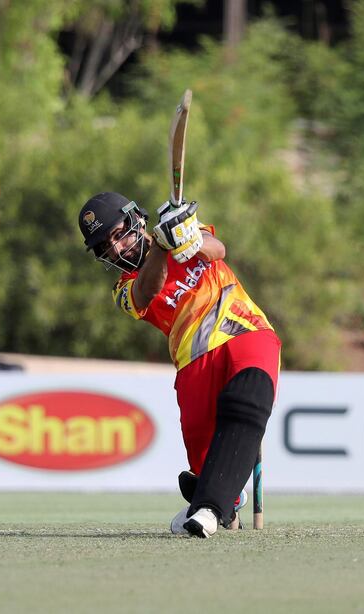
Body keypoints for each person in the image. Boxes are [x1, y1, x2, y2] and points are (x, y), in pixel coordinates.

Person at [77, 192, 280, 538]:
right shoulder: (124, 290)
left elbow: (218, 250)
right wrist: (160, 246)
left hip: (243, 329)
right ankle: (220, 498)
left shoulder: (184, 231)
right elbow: (147, 292)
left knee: (247, 401)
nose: (116, 249)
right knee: (203, 465)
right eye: (105, 246)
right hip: (193, 364)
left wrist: (188, 237)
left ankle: (211, 505)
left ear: (137, 220)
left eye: (119, 233)